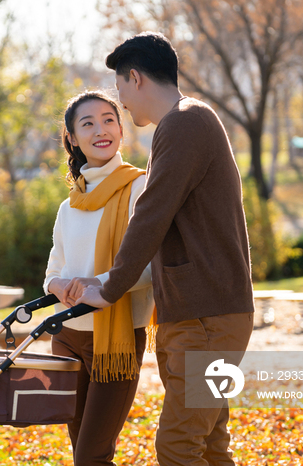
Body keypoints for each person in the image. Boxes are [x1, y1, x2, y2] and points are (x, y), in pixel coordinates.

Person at [75, 32, 255, 466]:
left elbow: (151, 214)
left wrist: (111, 287)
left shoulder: (185, 122)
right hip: (197, 314)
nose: (125, 104)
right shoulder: (184, 123)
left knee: (177, 446)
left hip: (207, 318)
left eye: (121, 92)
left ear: (134, 78)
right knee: (210, 447)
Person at [44, 90, 156, 466]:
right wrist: (58, 285)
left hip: (117, 339)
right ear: (73, 138)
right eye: (87, 124)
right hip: (68, 337)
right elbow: (54, 269)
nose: (100, 130)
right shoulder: (69, 204)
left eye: (108, 120)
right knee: (82, 450)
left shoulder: (140, 188)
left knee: (91, 455)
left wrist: (100, 284)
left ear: (121, 130)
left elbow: (149, 266)